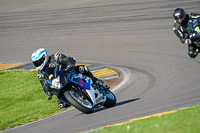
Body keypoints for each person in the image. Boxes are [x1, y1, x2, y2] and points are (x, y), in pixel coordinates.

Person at [31, 48, 103, 109]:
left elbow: (68, 59)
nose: (38, 64)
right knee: (62, 105)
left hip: (69, 72)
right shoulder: (40, 73)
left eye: (38, 62)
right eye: (35, 63)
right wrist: (48, 91)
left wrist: (69, 65)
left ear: (44, 57)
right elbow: (44, 84)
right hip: (58, 84)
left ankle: (95, 80)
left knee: (83, 68)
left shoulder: (56, 57)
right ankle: (77, 100)